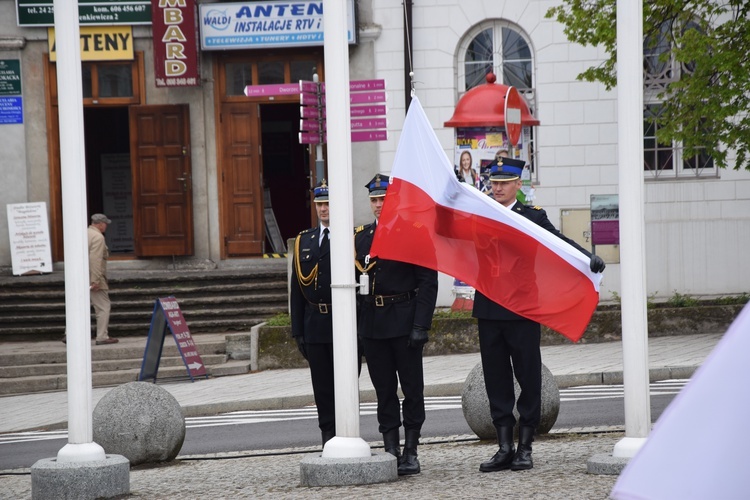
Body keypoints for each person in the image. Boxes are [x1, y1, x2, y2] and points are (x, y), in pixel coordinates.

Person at [473, 158, 606, 473]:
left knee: (528, 376)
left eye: (505, 182)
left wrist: (587, 258)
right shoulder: (479, 214)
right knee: (495, 378)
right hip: (490, 308)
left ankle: (525, 447)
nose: (498, 187)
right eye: (494, 182)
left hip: (522, 309)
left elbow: (558, 243)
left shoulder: (531, 217)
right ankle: (504, 447)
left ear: (518, 185)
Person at [355, 174, 438, 476]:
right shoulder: (361, 237)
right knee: (384, 390)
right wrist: (357, 331)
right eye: (374, 200)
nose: (378, 205)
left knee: (412, 390)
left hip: (404, 322)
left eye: (384, 199)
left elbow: (428, 283)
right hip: (373, 325)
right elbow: (355, 287)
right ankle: (390, 448)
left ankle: (411, 450)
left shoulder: (414, 233)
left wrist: (421, 325)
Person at [289, 180, 338, 446]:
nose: (324, 209)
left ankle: (345, 431)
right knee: (321, 387)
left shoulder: (348, 236)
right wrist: (298, 331)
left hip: (342, 323)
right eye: (320, 204)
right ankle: (327, 436)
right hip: (315, 325)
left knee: (344, 385)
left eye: (328, 204)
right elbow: (296, 290)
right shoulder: (303, 240)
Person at [89, 213, 118, 345]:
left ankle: (69, 334)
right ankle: (102, 336)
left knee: (77, 306)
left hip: (79, 277)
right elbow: (95, 260)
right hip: (93, 276)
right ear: (100, 224)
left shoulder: (83, 233)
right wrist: (95, 280)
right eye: (105, 223)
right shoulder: (98, 237)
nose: (106, 226)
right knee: (103, 307)